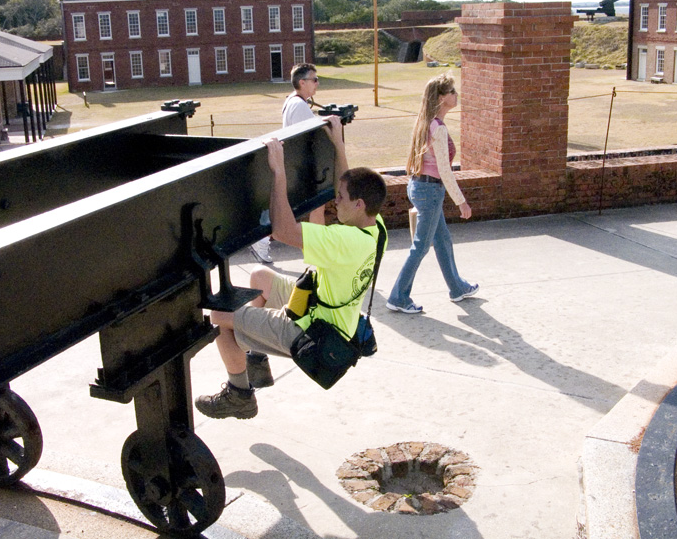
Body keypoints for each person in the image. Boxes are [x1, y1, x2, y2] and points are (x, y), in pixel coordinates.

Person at [196, 118, 388, 420]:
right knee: (260, 279)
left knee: (219, 317)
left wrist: (279, 172)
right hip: (328, 312)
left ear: (359, 204)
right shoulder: (375, 227)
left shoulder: (343, 241)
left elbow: (283, 230)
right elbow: (351, 185)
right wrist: (338, 145)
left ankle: (239, 394)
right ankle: (255, 357)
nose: (334, 201)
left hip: (310, 332)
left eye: (339, 198)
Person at [386, 73, 478, 314]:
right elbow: (445, 171)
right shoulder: (437, 128)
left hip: (421, 187)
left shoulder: (426, 122)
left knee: (443, 240)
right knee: (421, 247)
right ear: (441, 98)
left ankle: (457, 288)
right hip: (430, 191)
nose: (456, 95)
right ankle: (398, 296)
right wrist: (462, 202)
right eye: (452, 92)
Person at [250, 63, 325, 264]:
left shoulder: (294, 102)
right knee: (304, 205)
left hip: (294, 164)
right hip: (298, 166)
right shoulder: (299, 105)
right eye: (314, 80)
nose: (317, 84)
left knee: (290, 205)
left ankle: (263, 238)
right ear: (302, 82)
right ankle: (261, 238)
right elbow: (315, 134)